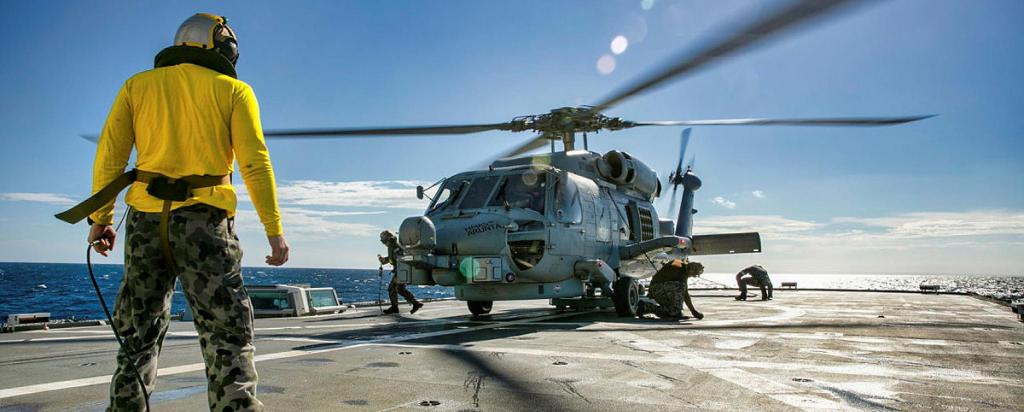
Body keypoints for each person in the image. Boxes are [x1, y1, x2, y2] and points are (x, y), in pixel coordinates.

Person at [58, 13, 286, 411]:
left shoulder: (137, 86)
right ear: (221, 47)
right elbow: (255, 163)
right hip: (205, 224)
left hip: (145, 225)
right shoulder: (235, 90)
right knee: (227, 335)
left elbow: (109, 157)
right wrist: (274, 230)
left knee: (137, 334)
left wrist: (101, 221)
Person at [378, 230, 423, 314]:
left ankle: (412, 304)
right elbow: (392, 258)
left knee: (395, 289)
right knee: (397, 289)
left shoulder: (395, 246)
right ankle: (412, 304)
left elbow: (401, 259)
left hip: (401, 270)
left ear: (387, 239)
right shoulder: (391, 246)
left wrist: (398, 273)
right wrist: (384, 260)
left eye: (383, 240)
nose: (383, 243)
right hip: (400, 270)